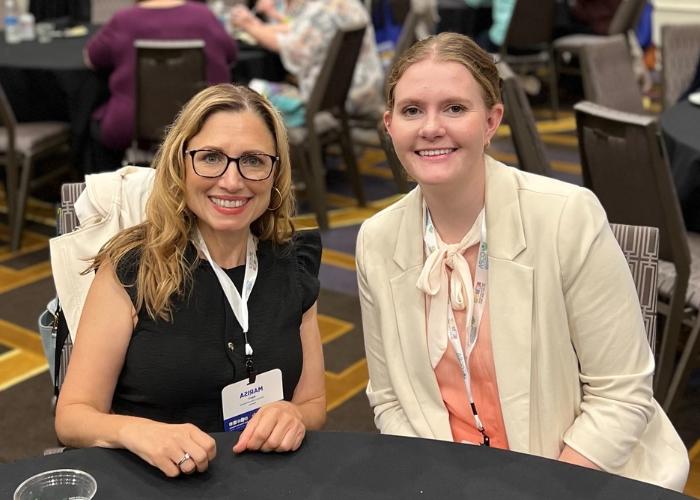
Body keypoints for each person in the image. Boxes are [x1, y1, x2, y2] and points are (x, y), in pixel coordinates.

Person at [356, 32, 689, 491]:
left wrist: (545, 488)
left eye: (455, 108)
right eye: (412, 110)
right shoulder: (376, 239)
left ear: (492, 121)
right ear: (389, 124)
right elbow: (389, 398)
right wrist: (432, 481)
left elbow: (621, 395)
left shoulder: (566, 217)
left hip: (577, 475)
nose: (431, 127)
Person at [55, 84, 326, 477]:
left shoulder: (294, 264)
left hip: (265, 479)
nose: (232, 182)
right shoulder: (133, 268)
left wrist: (292, 414)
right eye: (211, 157)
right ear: (180, 164)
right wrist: (137, 432)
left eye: (252, 160)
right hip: (156, 481)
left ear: (275, 173)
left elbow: (313, 403)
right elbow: (73, 417)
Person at [84, 0, 239, 171]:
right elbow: (231, 54)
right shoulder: (204, 16)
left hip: (131, 126)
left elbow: (92, 58)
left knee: (94, 123)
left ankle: (110, 192)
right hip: (204, 120)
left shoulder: (124, 20)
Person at [229, 0, 384, 124]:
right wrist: (256, 24)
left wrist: (247, 25)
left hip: (336, 99)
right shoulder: (346, 4)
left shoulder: (319, 11)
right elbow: (295, 29)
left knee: (248, 94)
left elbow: (290, 49)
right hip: (366, 88)